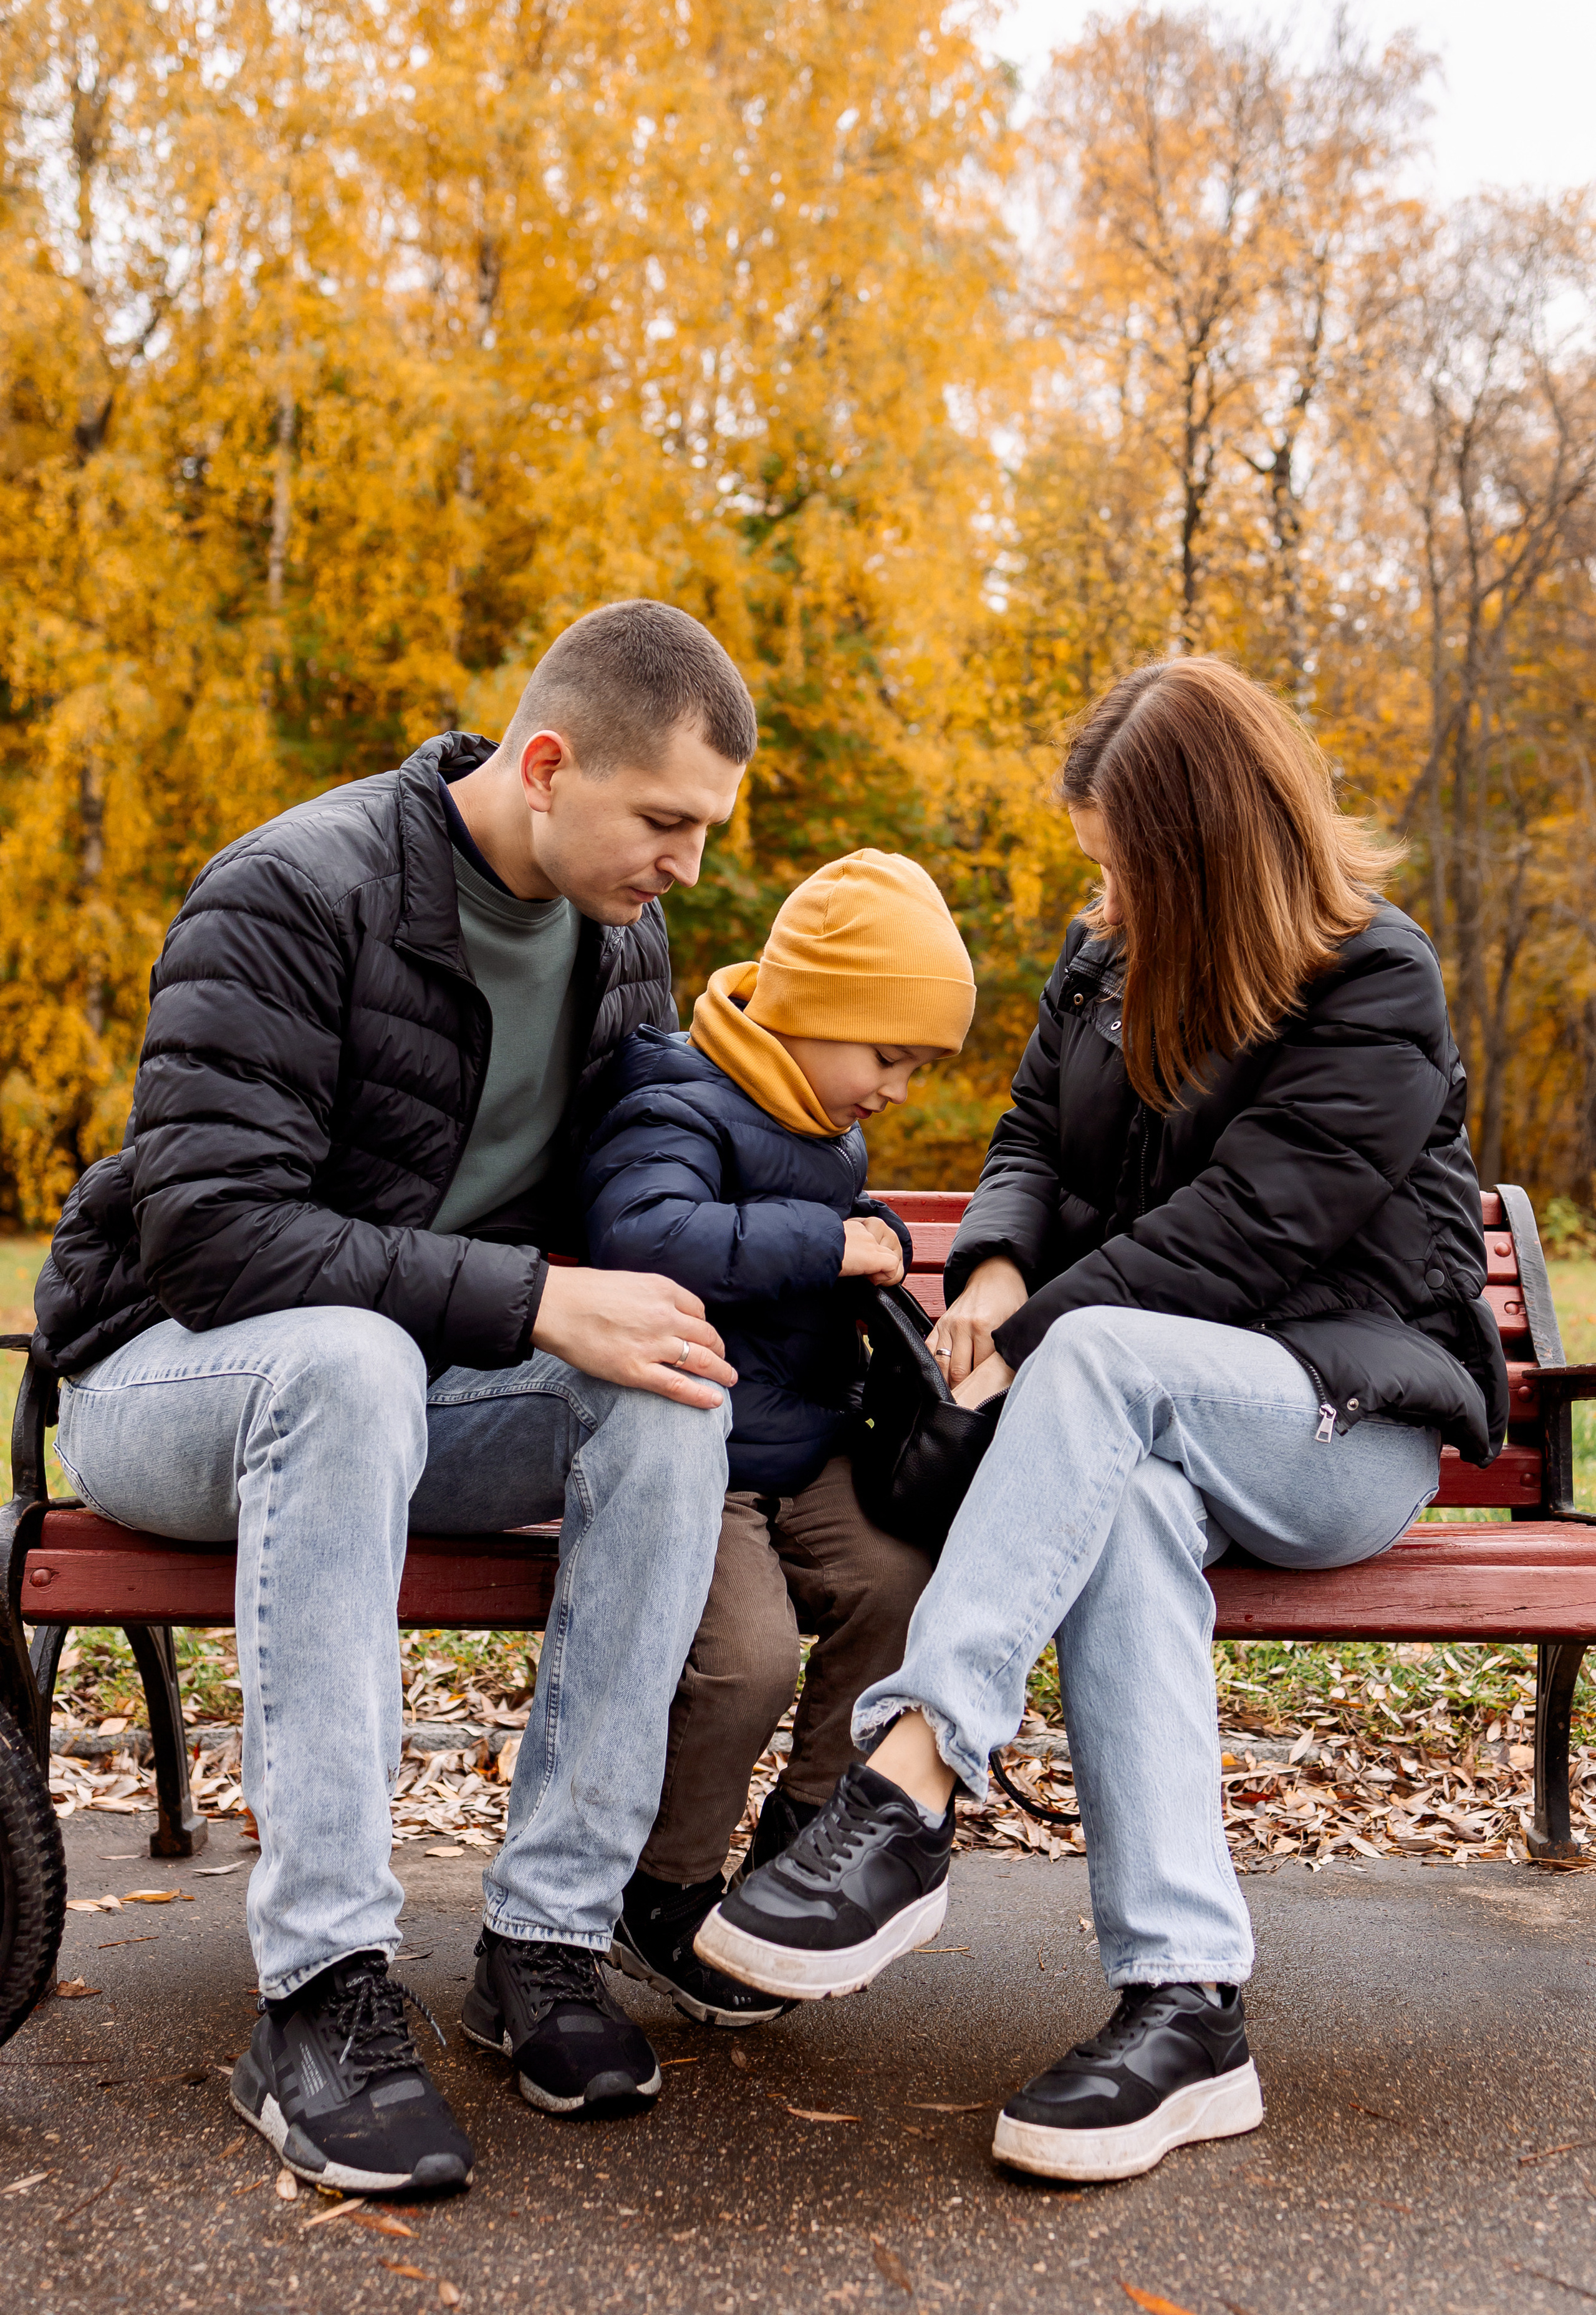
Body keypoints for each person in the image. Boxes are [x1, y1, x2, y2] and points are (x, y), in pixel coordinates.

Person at [697, 656, 1509, 2184]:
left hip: (1337, 1421)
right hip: (1141, 1422)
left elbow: (1245, 1238)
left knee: (1102, 1365)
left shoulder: (1372, 984)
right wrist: (998, 1262)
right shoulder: (1104, 969)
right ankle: (1183, 2008)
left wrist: (1035, 1334)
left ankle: (911, 1784)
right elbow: (1023, 1142)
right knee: (1120, 1504)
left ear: (1206, 853)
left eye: (1124, 870)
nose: (1105, 900)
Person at [34, 600, 760, 2196]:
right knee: (349, 1357)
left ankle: (545, 1944)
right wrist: (528, 1302)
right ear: (549, 764)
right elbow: (216, 1237)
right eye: (666, 823)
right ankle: (316, 1992)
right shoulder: (296, 889)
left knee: (666, 1391)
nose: (686, 870)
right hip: (169, 1383)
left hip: (396, 1396)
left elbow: (613, 1213)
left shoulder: (617, 935)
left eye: (703, 832)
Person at [580, 850, 974, 2024]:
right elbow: (644, 1236)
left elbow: (812, 1231)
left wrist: (869, 1233)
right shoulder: (676, 1097)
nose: (898, 1089)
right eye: (890, 1057)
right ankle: (665, 1885)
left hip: (801, 1447)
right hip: (693, 1456)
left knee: (904, 1592)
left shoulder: (819, 1112)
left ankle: (805, 1848)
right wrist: (832, 1240)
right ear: (815, 1014)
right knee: (745, 1658)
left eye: (918, 1066)